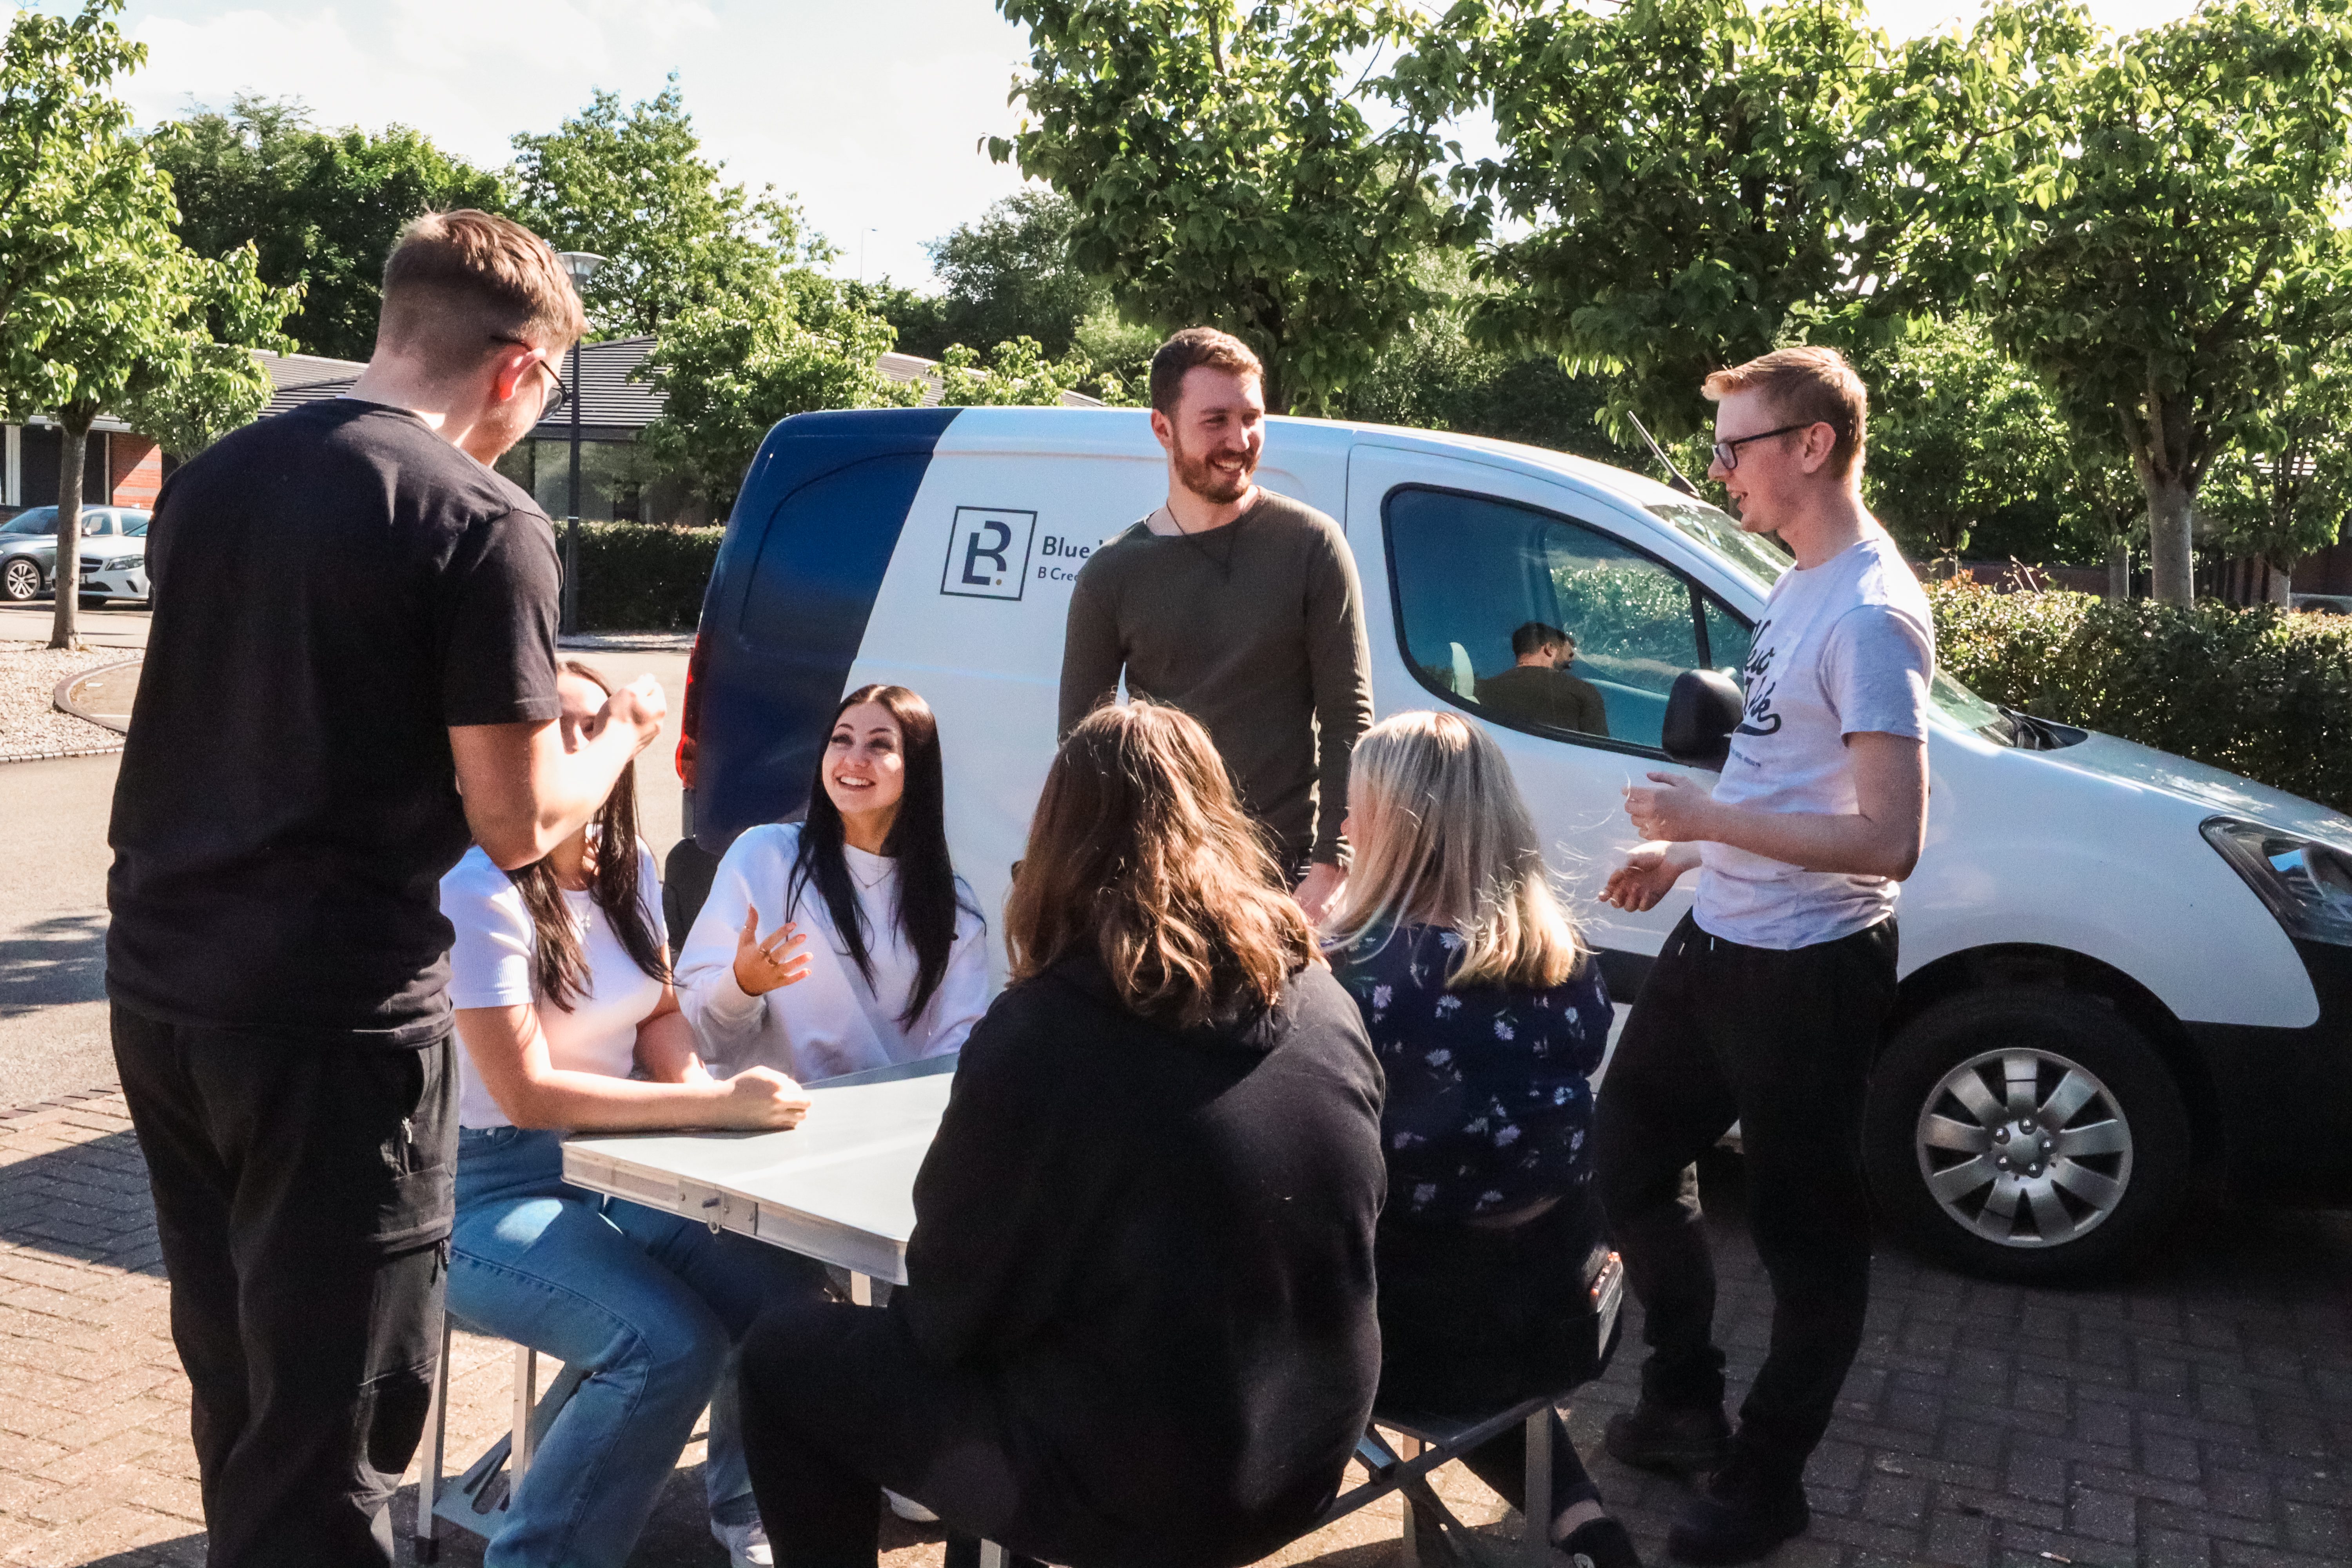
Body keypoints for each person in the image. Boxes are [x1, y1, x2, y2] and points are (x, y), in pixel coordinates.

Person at [105, 210, 670, 1565]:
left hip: (167, 994)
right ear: (521, 368)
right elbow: (520, 819)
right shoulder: (486, 522)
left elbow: (300, 686)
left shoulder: (216, 477)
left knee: (242, 1386)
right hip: (334, 1023)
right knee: (343, 1422)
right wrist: (621, 739)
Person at [735, 701, 1387, 1568]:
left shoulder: (1048, 1029)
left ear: (1056, 839)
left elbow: (947, 1308)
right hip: (1310, 1447)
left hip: (1146, 1489)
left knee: (786, 1357)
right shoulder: (1321, 996)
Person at [1594, 347, 1933, 1566]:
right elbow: (1788, 770)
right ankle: (1682, 1399)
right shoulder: (1796, 583)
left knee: (1804, 1237)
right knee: (1624, 1154)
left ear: (1811, 446)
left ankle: (1764, 1476)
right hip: (1718, 935)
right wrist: (1694, 860)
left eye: (1733, 446)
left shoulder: (1870, 610)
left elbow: (1887, 839)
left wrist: (1702, 824)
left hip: (1807, 969)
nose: (1716, 468)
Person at [440, 660, 825, 1568]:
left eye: (587, 724)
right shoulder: (477, 890)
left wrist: (694, 1127)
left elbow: (656, 1012)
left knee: (782, 1299)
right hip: (483, 1194)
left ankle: (746, 1520)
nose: (569, 747)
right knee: (664, 1346)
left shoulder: (631, 870)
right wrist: (711, 1104)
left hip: (613, 1168)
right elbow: (528, 1091)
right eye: (550, 730)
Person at [1322, 710, 1639, 1568]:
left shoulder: (1354, 975)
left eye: (1353, 809)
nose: (1342, 827)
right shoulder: (1568, 961)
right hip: (1567, 1310)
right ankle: (1582, 1524)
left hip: (1411, 1341)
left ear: (1392, 827)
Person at [1057, 327, 1374, 922]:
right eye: (1216, 421)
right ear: (1162, 428)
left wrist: (1332, 862)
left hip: (1283, 880)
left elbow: (1347, 716)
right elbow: (1083, 749)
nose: (1240, 440)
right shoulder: (1111, 574)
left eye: (1252, 418)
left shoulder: (1312, 546)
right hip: (1159, 879)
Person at [676, 684, 987, 1083]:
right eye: (841, 740)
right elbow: (694, 1034)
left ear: (917, 767)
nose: (854, 759)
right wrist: (742, 985)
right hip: (770, 1124)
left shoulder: (954, 905)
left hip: (893, 1131)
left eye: (880, 746)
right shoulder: (763, 855)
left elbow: (957, 1054)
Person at [1474, 621, 1611, 736]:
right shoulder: (1583, 692)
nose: (1572, 661)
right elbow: (1603, 756)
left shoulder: (1481, 690)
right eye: (1569, 654)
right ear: (1550, 648)